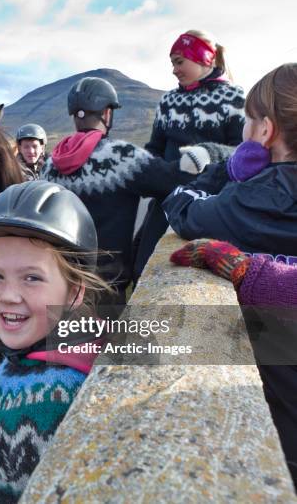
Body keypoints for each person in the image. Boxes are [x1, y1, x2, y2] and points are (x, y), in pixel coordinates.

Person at [163, 63, 297, 489]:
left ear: (265, 131)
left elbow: (180, 206)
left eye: (248, 121)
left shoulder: (251, 200)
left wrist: (228, 168)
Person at [0, 180, 110, 503]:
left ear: (75, 291)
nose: (9, 296)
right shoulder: (30, 357)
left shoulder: (63, 398)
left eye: (32, 278)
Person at [40, 76, 231, 311]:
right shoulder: (121, 157)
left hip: (55, 280)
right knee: (100, 346)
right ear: (107, 114)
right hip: (104, 287)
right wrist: (211, 153)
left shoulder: (50, 163)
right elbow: (173, 179)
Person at [132, 29, 245, 286]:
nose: (173, 69)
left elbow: (242, 152)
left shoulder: (234, 98)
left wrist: (207, 154)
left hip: (212, 201)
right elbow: (155, 148)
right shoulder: (168, 101)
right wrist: (144, 171)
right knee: (142, 266)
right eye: (172, 63)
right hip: (167, 200)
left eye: (179, 61)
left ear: (204, 59)